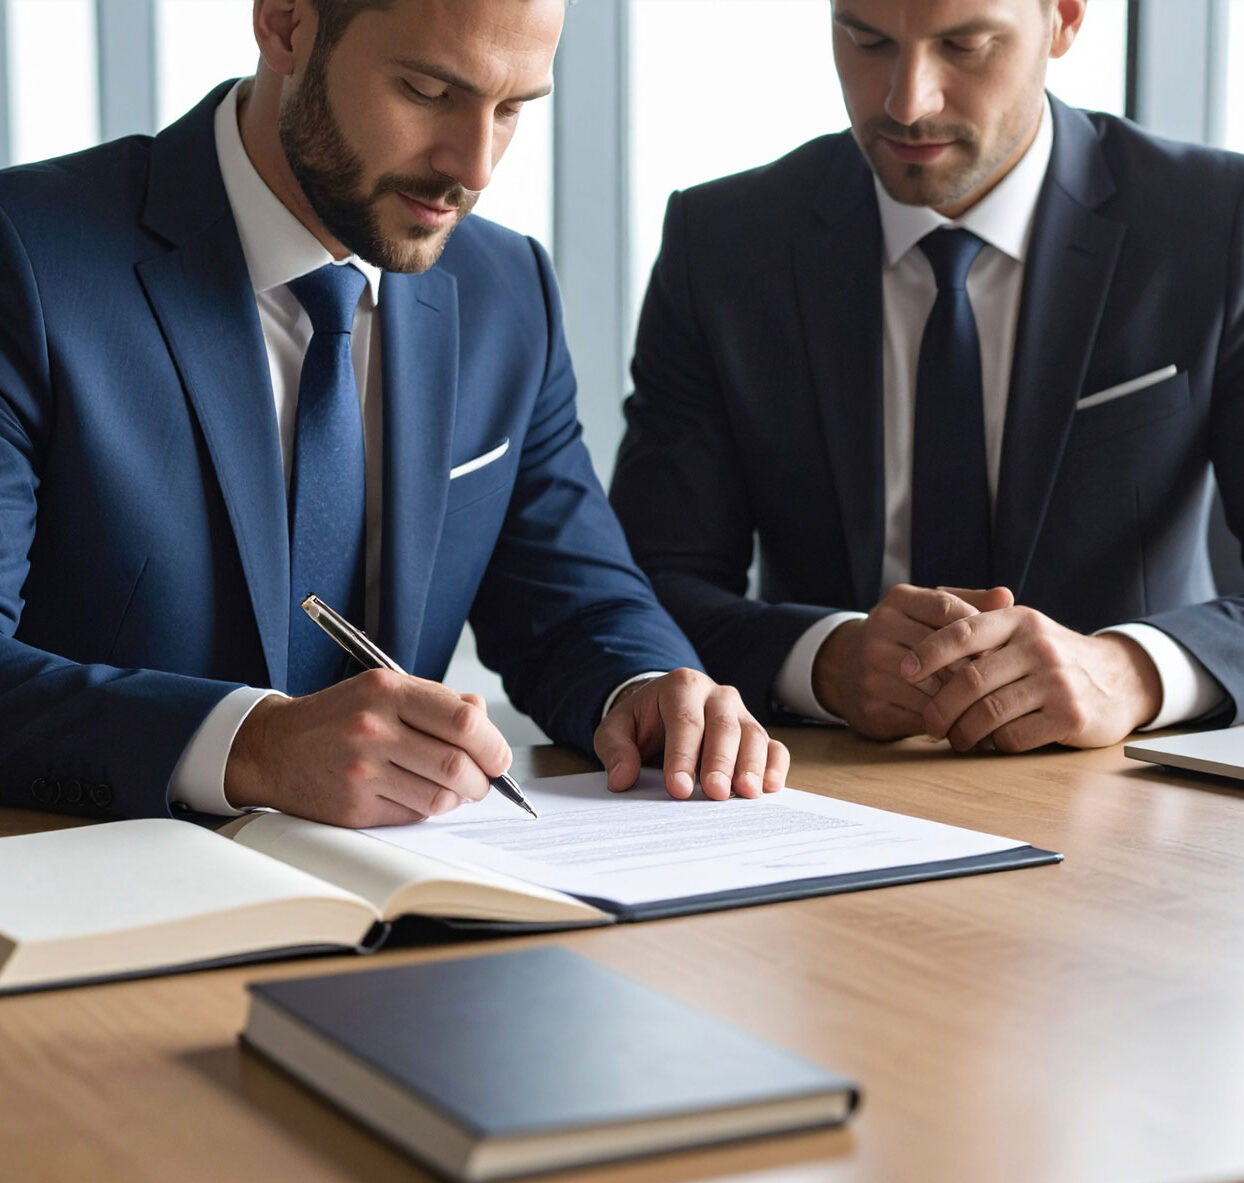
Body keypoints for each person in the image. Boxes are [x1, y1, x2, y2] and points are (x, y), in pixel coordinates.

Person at [0, 0, 789, 827]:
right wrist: (256, 746)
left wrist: (651, 689)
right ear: (286, 25)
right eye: (426, 91)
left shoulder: (506, 291)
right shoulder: (27, 258)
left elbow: (577, 606)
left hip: (410, 900)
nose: (476, 166)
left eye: (513, 108)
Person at [611, 0, 1244, 755]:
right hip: (816, 784)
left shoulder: (1215, 221)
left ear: (1066, 19)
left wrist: (1130, 670)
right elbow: (644, 585)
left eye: (966, 45)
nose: (908, 102)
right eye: (866, 40)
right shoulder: (720, 245)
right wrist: (826, 660)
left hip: (1124, 788)